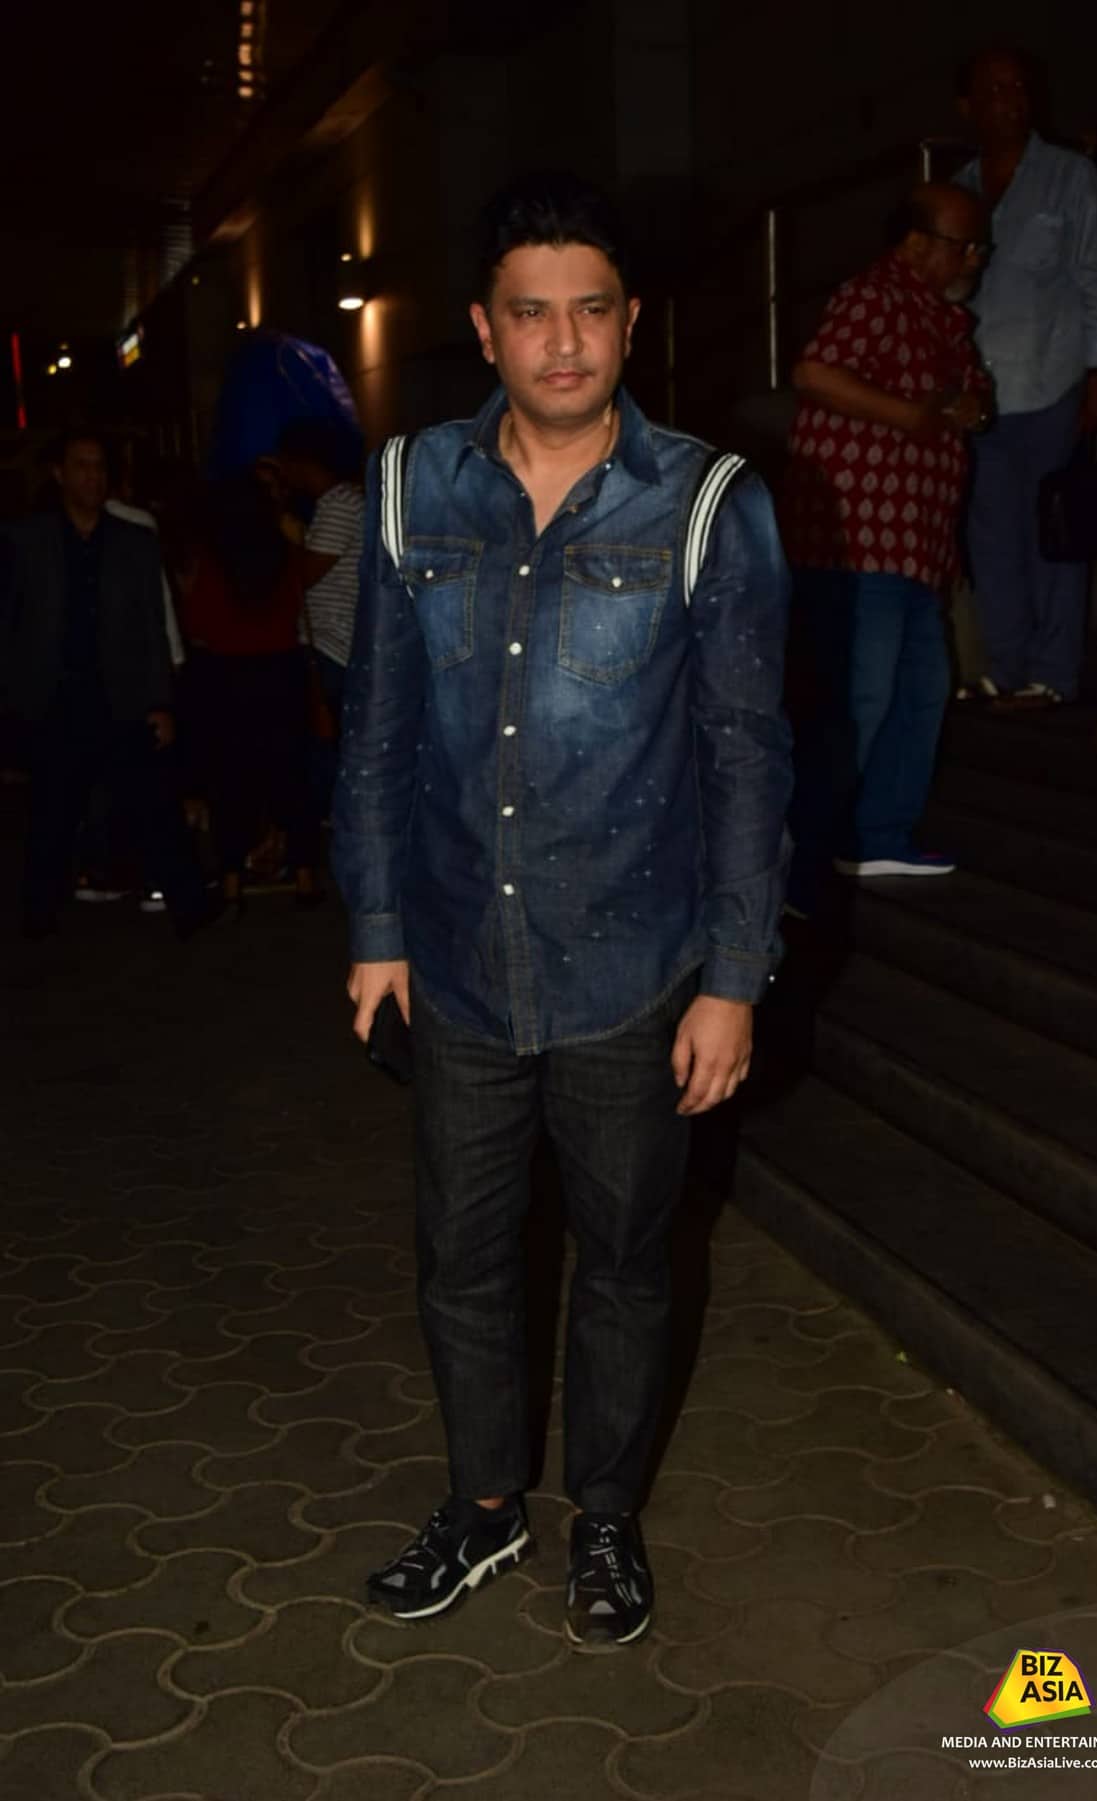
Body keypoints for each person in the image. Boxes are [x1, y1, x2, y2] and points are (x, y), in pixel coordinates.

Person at [333, 172, 793, 1650]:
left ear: (630, 320)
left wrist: (733, 974)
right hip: (460, 963)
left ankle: (603, 1513)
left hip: (633, 974)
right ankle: (483, 1508)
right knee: (462, 1260)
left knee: (627, 1262)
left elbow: (747, 756)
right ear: (485, 328)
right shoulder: (410, 488)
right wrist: (375, 926)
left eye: (591, 310)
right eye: (531, 314)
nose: (564, 342)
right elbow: (375, 731)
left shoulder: (707, 502)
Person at [785, 182, 992, 879]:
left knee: (920, 691)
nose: (975, 257)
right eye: (962, 244)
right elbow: (814, 373)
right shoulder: (874, 296)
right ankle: (805, 848)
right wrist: (914, 417)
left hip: (915, 542)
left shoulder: (942, 318)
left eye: (979, 246)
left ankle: (876, 835)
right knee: (860, 695)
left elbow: (964, 406)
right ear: (914, 243)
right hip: (859, 536)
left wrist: (967, 408)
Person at [955, 47, 1097, 710]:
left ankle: (1053, 674)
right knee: (993, 534)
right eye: (995, 88)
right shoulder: (960, 189)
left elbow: (1095, 277)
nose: (1011, 99)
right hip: (981, 393)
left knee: (1055, 529)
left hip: (1052, 379)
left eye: (1019, 86)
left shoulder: (1069, 176)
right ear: (967, 105)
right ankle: (1007, 666)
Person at [0, 431, 210, 939]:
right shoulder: (27, 541)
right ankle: (38, 912)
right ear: (59, 473)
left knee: (154, 803)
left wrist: (161, 701)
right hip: (56, 699)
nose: (92, 477)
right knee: (52, 810)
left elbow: (152, 626)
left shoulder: (134, 541)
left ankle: (189, 907)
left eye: (99, 467)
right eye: (81, 466)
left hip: (122, 698)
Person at [179, 471, 323, 909]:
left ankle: (230, 880)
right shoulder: (282, 553)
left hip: (228, 677)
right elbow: (296, 607)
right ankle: (304, 876)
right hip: (281, 673)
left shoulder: (213, 557)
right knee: (291, 777)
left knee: (231, 780)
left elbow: (199, 622)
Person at [276, 418, 365, 816]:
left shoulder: (340, 504)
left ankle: (330, 820)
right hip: (333, 641)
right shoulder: (335, 503)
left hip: (332, 642)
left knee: (323, 742)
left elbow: (306, 574)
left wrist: (288, 538)